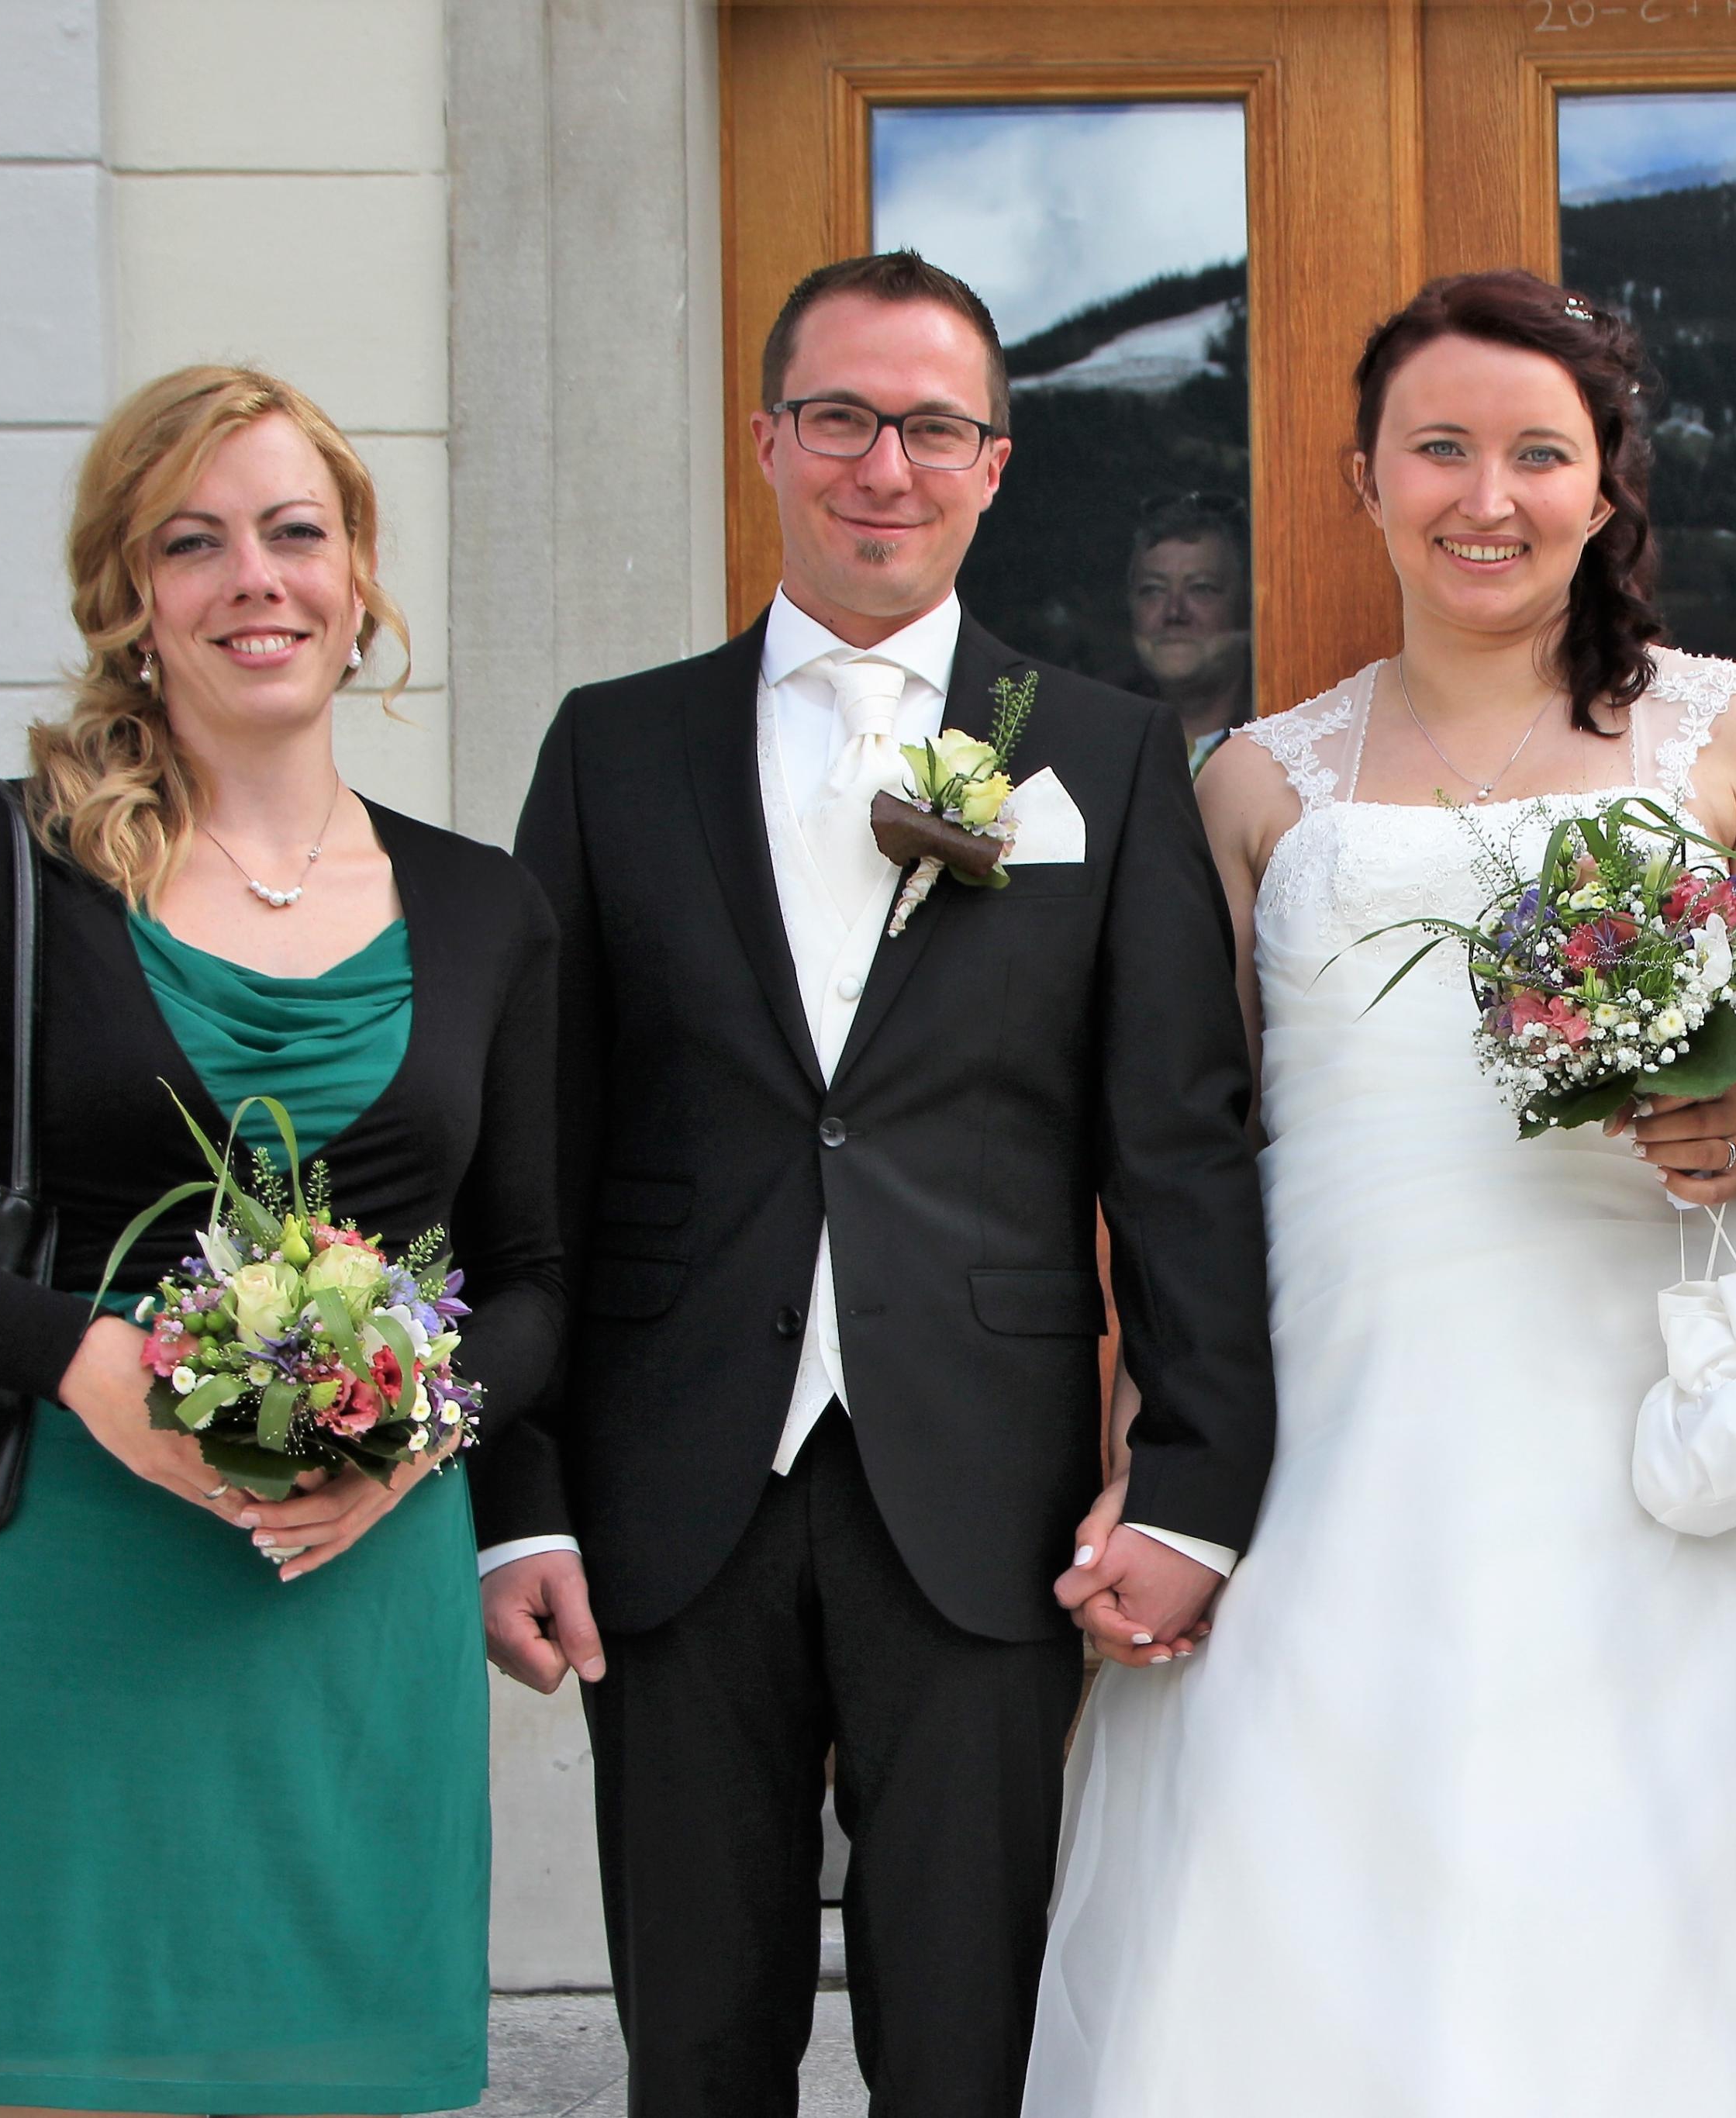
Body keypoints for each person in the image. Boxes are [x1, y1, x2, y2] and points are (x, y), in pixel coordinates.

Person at [1027, 270, 1736, 2114]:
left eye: (1539, 454)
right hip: (1338, 1429)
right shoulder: (1255, 785)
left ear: (1604, 482)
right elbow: (1189, 1172)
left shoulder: (1729, 733)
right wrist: (1152, 1460)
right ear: (1364, 478)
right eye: (1440, 450)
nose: (1489, 498)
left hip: (1650, 1430)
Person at [476, 249, 1276, 2117]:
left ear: (992, 463)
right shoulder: (612, 747)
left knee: (966, 2043)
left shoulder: (1097, 754)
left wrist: (1192, 1482)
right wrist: (515, 1499)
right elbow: (530, 1158)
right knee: (696, 2043)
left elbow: (1176, 1147)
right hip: (672, 1486)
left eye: (929, 426)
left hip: (987, 1492)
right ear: (766, 440)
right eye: (838, 417)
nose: (881, 466)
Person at [0, 365, 565, 2118]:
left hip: (351, 1599)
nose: (255, 577)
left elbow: (540, 1282)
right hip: (70, 1579)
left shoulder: (487, 905)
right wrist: (84, 1359)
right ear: (129, 596)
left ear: (356, 575)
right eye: (194, 541)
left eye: (294, 531)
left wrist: (415, 1446)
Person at [1123, 493, 1255, 769]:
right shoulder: (1102, 734)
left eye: (1201, 588)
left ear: (1246, 604)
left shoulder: (1283, 735)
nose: (1174, 612)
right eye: (1153, 590)